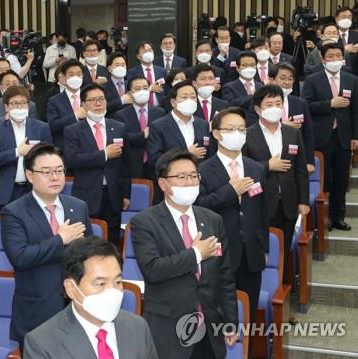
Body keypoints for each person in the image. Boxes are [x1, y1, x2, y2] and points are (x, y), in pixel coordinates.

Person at [131, 148, 238, 359]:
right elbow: (153, 270)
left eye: (193, 176)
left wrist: (231, 321)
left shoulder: (212, 219)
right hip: (168, 328)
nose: (190, 182)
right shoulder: (144, 222)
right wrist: (195, 254)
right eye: (181, 177)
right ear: (163, 184)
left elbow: (225, 276)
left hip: (209, 327)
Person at [1, 143, 92, 355]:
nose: (55, 177)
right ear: (30, 175)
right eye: (47, 172)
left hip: (77, 309)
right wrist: (60, 239)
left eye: (59, 171)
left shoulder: (78, 206)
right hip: (37, 312)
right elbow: (20, 257)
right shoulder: (14, 212)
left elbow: (89, 254)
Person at [196, 108, 268, 348]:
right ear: (216, 134)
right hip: (219, 254)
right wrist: (230, 192)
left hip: (251, 254)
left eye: (241, 129)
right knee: (219, 317)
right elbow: (198, 208)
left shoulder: (256, 168)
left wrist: (263, 246)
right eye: (230, 129)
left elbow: (262, 213)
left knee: (248, 315)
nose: (237, 134)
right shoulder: (203, 170)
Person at [23, 236, 158, 359]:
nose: (112, 292)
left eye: (118, 282)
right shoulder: (42, 343)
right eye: (101, 284)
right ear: (71, 288)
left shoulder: (138, 327)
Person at [243, 85, 309, 283]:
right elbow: (244, 168)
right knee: (262, 249)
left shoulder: (292, 133)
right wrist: (267, 166)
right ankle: (263, 287)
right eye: (269, 104)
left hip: (288, 202)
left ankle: (285, 288)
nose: (274, 107)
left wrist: (303, 201)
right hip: (260, 202)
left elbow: (300, 171)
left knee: (285, 247)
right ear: (257, 109)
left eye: (278, 103)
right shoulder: (247, 134)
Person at [64, 83, 131, 244]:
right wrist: (104, 155)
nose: (98, 103)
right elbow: (72, 160)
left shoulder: (119, 127)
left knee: (112, 239)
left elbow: (126, 164)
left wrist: (126, 194)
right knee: (88, 240)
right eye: (93, 100)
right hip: (87, 193)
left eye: (101, 99)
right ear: (84, 105)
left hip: (114, 193)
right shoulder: (73, 130)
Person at [303, 42, 358, 231]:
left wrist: (355, 136)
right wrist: (330, 104)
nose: (335, 60)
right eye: (330, 56)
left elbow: (355, 111)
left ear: (343, 57)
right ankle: (322, 219)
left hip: (343, 136)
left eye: (338, 56)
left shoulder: (351, 79)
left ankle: (338, 217)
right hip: (321, 136)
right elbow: (307, 106)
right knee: (324, 179)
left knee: (341, 179)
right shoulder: (312, 79)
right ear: (322, 58)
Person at [0, 85, 52, 208]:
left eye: (23, 103)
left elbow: (50, 157)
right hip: (8, 192)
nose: (19, 107)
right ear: (6, 107)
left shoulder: (41, 127)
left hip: (35, 188)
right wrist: (17, 151)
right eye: (15, 103)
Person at [147, 80, 211, 171]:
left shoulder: (203, 124)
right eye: (184, 97)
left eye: (193, 97)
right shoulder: (158, 126)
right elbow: (154, 159)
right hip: (172, 177)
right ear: (173, 102)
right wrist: (186, 153)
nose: (189, 100)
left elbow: (209, 155)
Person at [113, 76, 166, 179]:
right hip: (132, 166)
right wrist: (143, 135)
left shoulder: (160, 112)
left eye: (145, 88)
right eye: (137, 89)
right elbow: (123, 138)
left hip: (156, 165)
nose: (142, 91)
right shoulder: (120, 115)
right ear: (129, 93)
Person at [269, 63, 315, 173]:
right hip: (271, 157)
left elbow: (308, 134)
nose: (287, 82)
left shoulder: (300, 103)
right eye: (282, 78)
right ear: (272, 80)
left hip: (296, 157)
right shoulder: (262, 102)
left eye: (290, 79)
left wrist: (310, 161)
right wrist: (282, 126)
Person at [46, 59, 85, 150]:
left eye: (79, 74)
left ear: (83, 76)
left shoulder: (90, 97)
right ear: (63, 77)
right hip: (65, 147)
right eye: (71, 75)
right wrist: (75, 116)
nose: (76, 77)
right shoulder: (54, 101)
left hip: (89, 146)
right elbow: (52, 126)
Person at [127, 41, 166, 108]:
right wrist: (150, 88)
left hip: (160, 108)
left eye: (150, 50)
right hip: (141, 108)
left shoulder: (162, 71)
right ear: (138, 56)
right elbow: (130, 92)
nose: (148, 53)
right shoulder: (132, 72)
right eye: (144, 51)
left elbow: (166, 90)